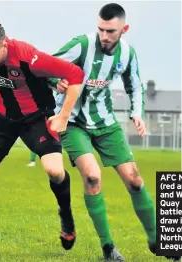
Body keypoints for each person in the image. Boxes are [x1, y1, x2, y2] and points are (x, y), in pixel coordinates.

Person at [49, 3, 180, 261]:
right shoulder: (81, 45)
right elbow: (45, 66)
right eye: (101, 29)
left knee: (135, 180)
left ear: (124, 29)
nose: (104, 36)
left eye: (110, 31)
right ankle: (108, 248)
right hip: (73, 122)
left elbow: (135, 85)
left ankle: (159, 240)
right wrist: (56, 81)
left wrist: (137, 112)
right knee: (93, 177)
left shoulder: (127, 53)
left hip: (106, 124)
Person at [0, 14, 84, 255]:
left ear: (4, 44)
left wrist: (63, 116)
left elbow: (75, 75)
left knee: (55, 171)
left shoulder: (29, 57)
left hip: (36, 118)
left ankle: (66, 217)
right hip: (1, 117)